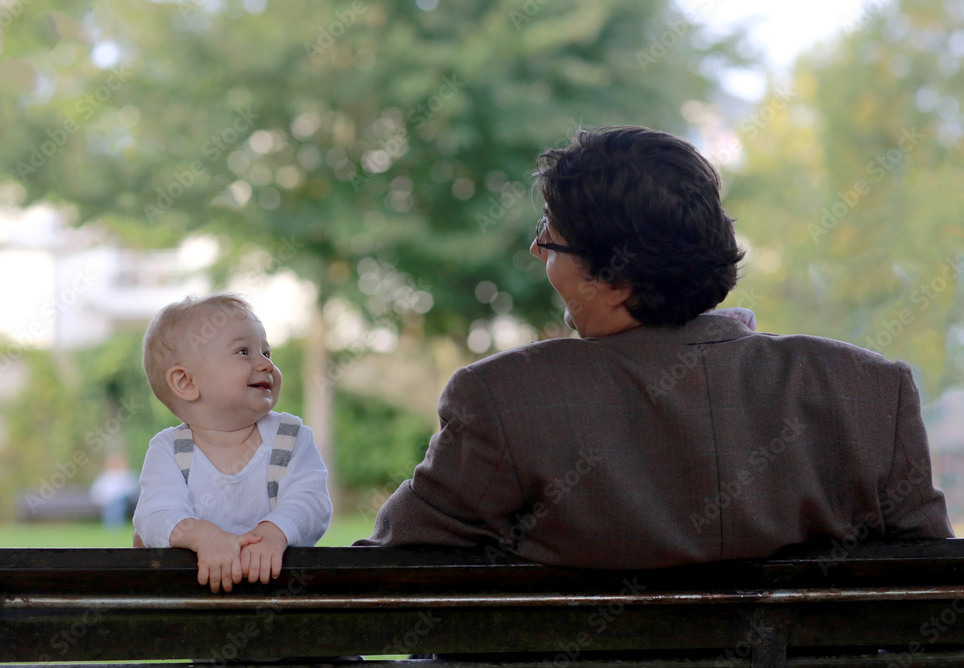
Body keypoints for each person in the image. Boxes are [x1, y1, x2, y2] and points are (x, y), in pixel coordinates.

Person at [355, 126, 954, 569]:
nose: (540, 255)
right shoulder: (869, 389)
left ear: (616, 281)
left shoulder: (504, 399)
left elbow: (395, 574)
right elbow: (930, 589)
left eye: (550, 241)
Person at [133, 293, 332, 592]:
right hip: (191, 594)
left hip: (278, 591)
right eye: (243, 352)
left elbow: (312, 501)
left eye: (267, 352)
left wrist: (274, 531)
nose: (265, 364)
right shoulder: (170, 451)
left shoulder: (290, 439)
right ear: (186, 382)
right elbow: (154, 514)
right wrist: (202, 536)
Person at [89, 452, 139, 528]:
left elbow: (134, 490)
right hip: (108, 501)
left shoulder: (128, 475)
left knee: (118, 501)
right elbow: (96, 492)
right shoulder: (104, 477)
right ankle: (113, 525)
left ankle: (114, 525)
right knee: (114, 503)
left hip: (127, 501)